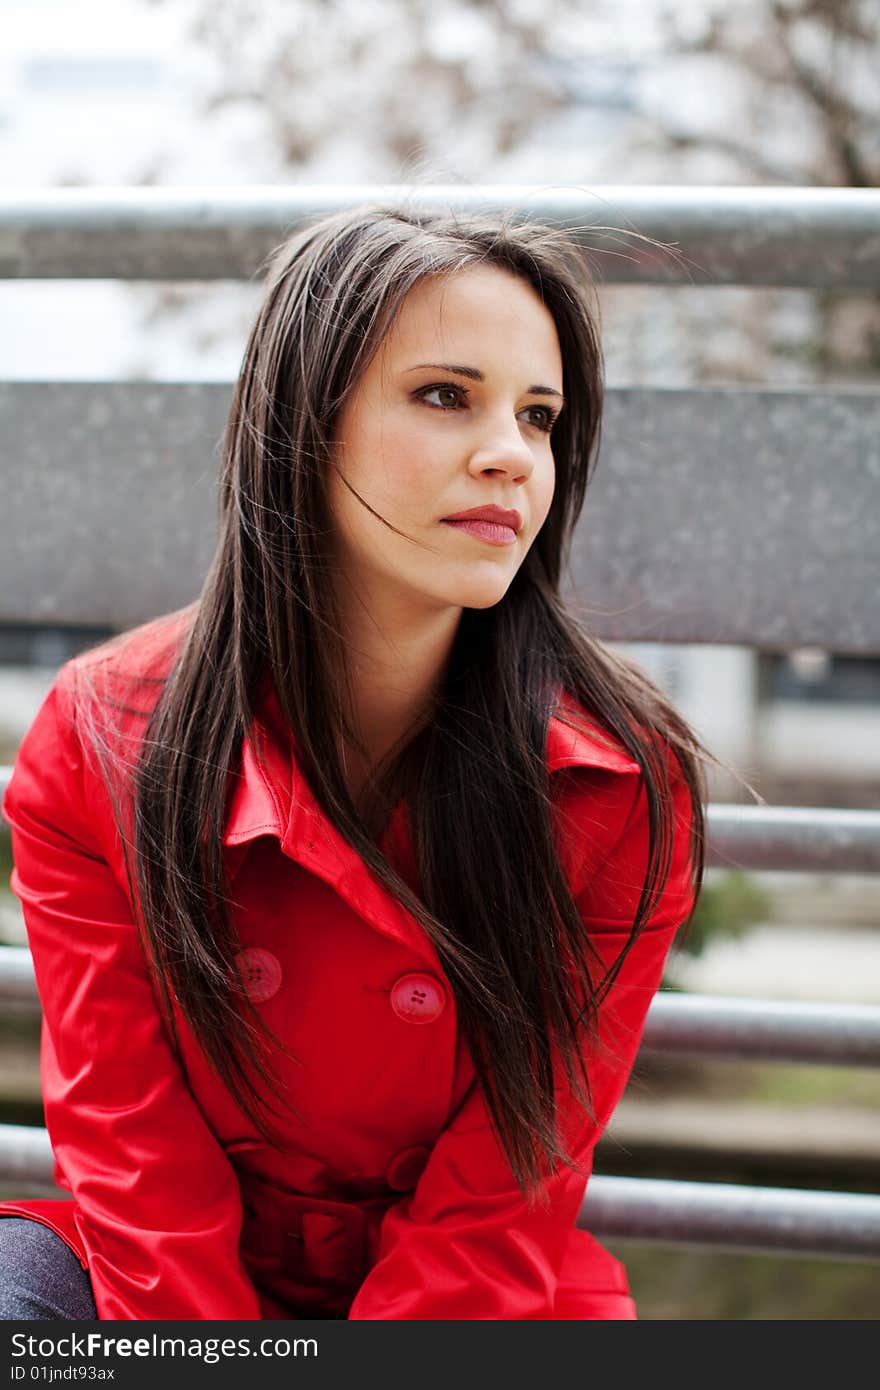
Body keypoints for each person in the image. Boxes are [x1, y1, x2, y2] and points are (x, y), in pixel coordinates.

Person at [0, 202, 708, 1321]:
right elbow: (135, 1160)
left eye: (540, 414)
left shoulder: (624, 783)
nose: (509, 455)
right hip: (162, 1279)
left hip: (466, 1292)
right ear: (302, 422)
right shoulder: (101, 741)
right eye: (445, 396)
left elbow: (503, 1196)